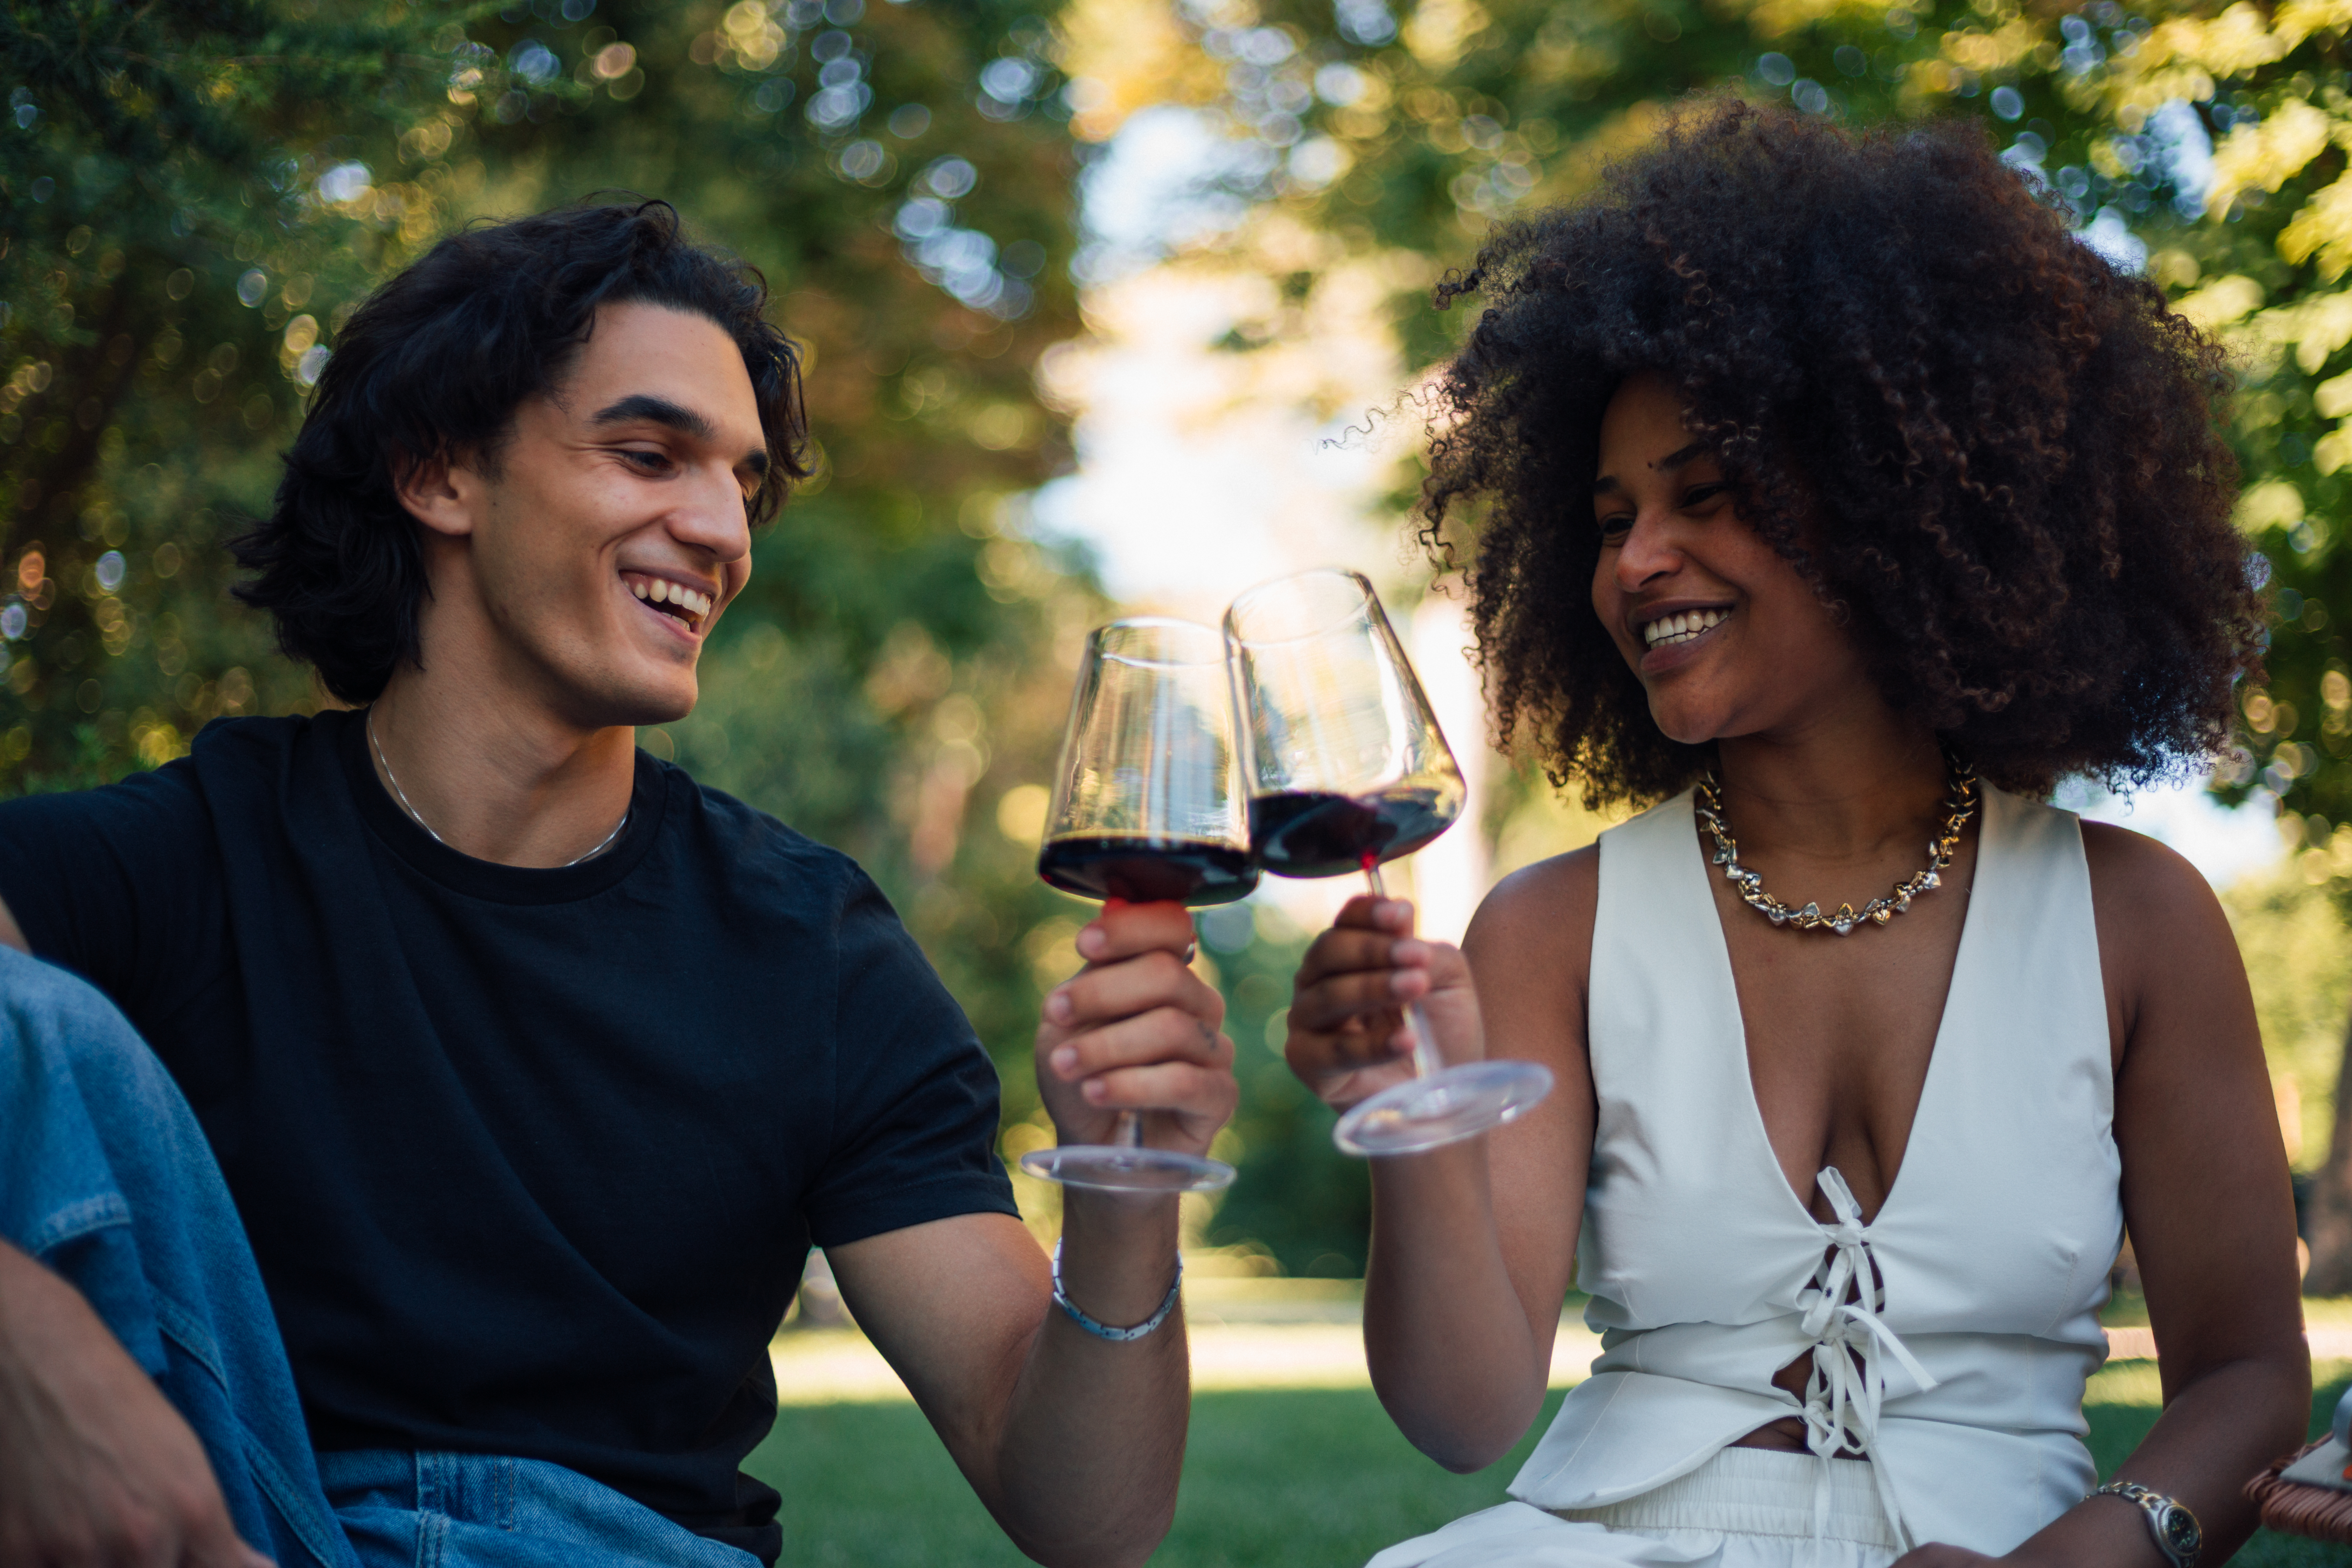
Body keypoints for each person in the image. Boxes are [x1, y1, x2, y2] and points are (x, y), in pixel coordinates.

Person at [0, 200, 1237, 1568]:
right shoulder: (193, 851)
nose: (722, 531)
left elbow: (1086, 1512)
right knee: (26, 1021)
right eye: (651, 453)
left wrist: (1129, 1193)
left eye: (746, 485)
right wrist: (31, 1342)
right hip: (260, 1519)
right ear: (440, 473)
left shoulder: (812, 948)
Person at [1283, 100, 2311, 1567]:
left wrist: (2097, 1549)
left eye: (1710, 495)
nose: (1639, 560)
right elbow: (1462, 1415)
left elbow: (2250, 1377)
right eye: (1611, 514)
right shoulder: (1549, 927)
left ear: (1907, 498)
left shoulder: (2140, 919)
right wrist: (1404, 1122)